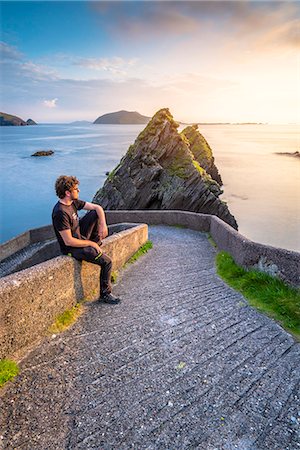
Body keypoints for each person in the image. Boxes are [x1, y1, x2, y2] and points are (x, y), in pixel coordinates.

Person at [52, 175, 121, 304]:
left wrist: (103, 224)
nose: (78, 191)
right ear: (67, 193)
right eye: (76, 189)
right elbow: (68, 241)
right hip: (72, 249)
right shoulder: (60, 213)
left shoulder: (73, 202)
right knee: (106, 262)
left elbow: (98, 208)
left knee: (95, 214)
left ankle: (95, 244)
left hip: (80, 237)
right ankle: (105, 294)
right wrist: (91, 244)